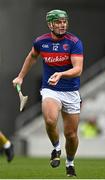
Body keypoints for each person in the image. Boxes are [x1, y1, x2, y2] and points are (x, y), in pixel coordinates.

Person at [12, 9, 84, 177]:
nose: (62, 24)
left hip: (71, 91)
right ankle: (57, 148)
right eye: (58, 22)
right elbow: (32, 56)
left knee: (71, 135)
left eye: (64, 21)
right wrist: (20, 77)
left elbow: (78, 69)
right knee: (50, 120)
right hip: (50, 89)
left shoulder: (74, 42)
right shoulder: (40, 42)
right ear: (50, 24)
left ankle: (70, 162)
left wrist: (61, 74)